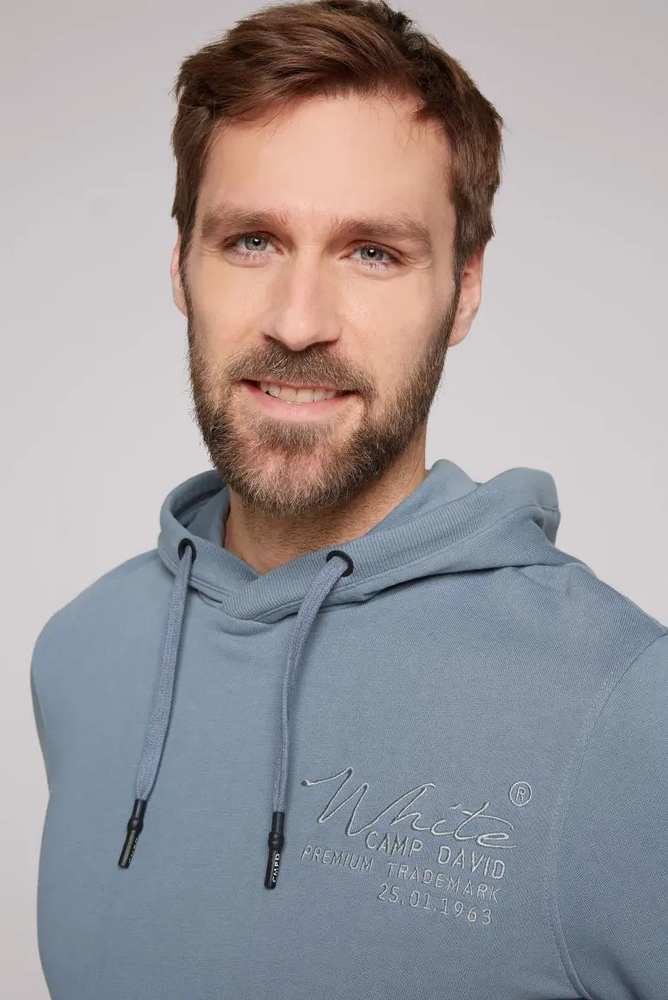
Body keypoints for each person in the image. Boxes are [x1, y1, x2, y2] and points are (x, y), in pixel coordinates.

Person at [29, 0, 667, 997]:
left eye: (373, 251)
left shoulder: (630, 710)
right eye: (251, 241)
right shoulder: (80, 651)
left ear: (463, 290)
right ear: (181, 265)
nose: (297, 322)